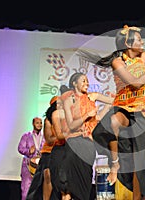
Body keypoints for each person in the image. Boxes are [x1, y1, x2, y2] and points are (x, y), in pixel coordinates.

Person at [77, 1, 145, 199]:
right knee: (109, 125)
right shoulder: (118, 60)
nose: (143, 42)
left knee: (138, 169)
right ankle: (114, 162)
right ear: (128, 43)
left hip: (143, 113)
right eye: (139, 39)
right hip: (123, 108)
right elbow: (136, 83)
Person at [57, 72, 113, 200]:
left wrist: (108, 107)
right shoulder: (68, 101)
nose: (87, 83)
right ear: (74, 83)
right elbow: (71, 125)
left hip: (89, 143)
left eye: (87, 81)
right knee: (69, 178)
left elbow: (98, 117)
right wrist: (87, 114)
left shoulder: (92, 97)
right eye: (83, 81)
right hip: (74, 141)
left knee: (86, 176)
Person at [26, 96, 60, 200]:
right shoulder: (48, 121)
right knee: (47, 175)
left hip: (62, 152)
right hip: (49, 153)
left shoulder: (66, 119)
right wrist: (63, 136)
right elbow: (49, 139)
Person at [18, 117, 45, 200]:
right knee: (26, 189)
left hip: (40, 166)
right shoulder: (26, 136)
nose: (40, 125)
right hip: (28, 166)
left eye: (41, 123)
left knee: (41, 190)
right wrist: (29, 151)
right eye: (37, 123)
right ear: (33, 124)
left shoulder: (45, 137)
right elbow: (20, 148)